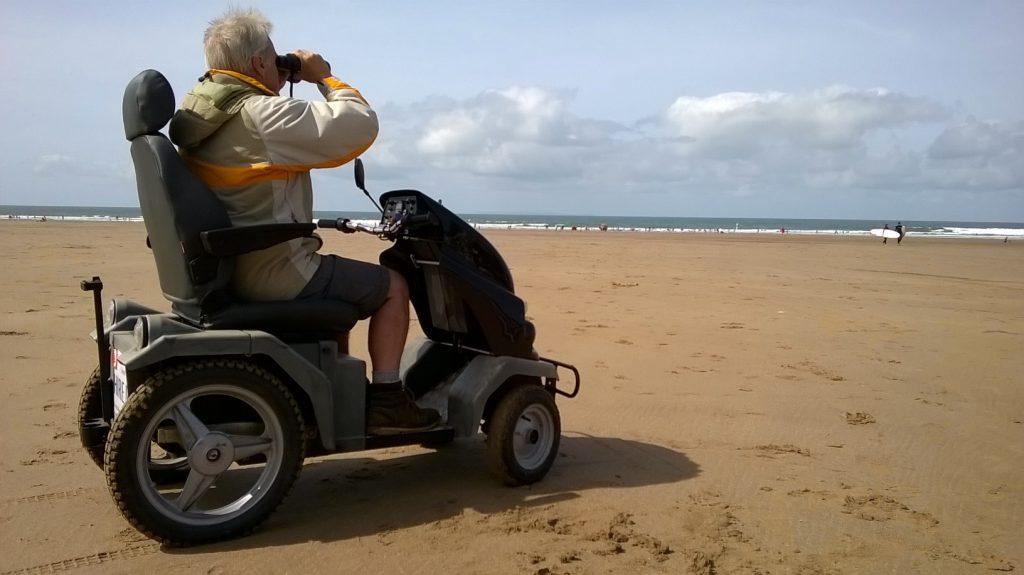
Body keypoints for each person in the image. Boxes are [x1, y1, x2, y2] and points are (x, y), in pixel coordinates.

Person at [168, 8, 439, 434]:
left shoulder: (198, 119)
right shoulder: (259, 115)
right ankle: (387, 399)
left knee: (345, 281)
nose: (279, 67)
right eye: (274, 59)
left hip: (223, 268)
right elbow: (359, 126)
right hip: (275, 272)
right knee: (392, 287)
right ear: (258, 64)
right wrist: (323, 77)